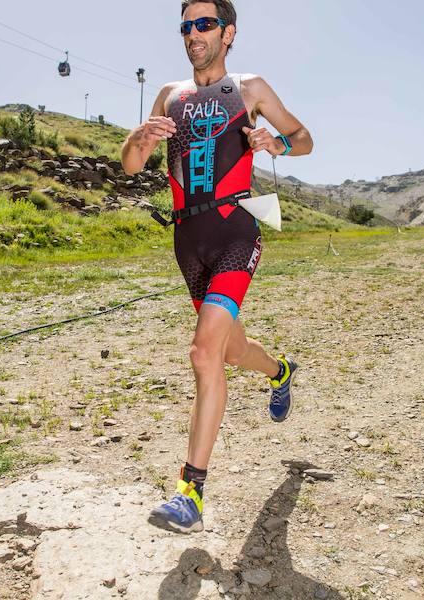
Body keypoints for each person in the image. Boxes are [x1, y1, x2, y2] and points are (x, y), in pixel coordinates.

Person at [121, 0, 313, 534]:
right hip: (189, 242)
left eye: (204, 24)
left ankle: (191, 492)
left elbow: (304, 139)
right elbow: (131, 163)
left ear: (228, 33)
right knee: (228, 348)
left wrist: (276, 143)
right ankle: (281, 372)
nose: (192, 34)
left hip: (235, 231)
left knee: (204, 352)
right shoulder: (169, 95)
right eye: (185, 26)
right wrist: (140, 138)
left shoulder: (248, 88)